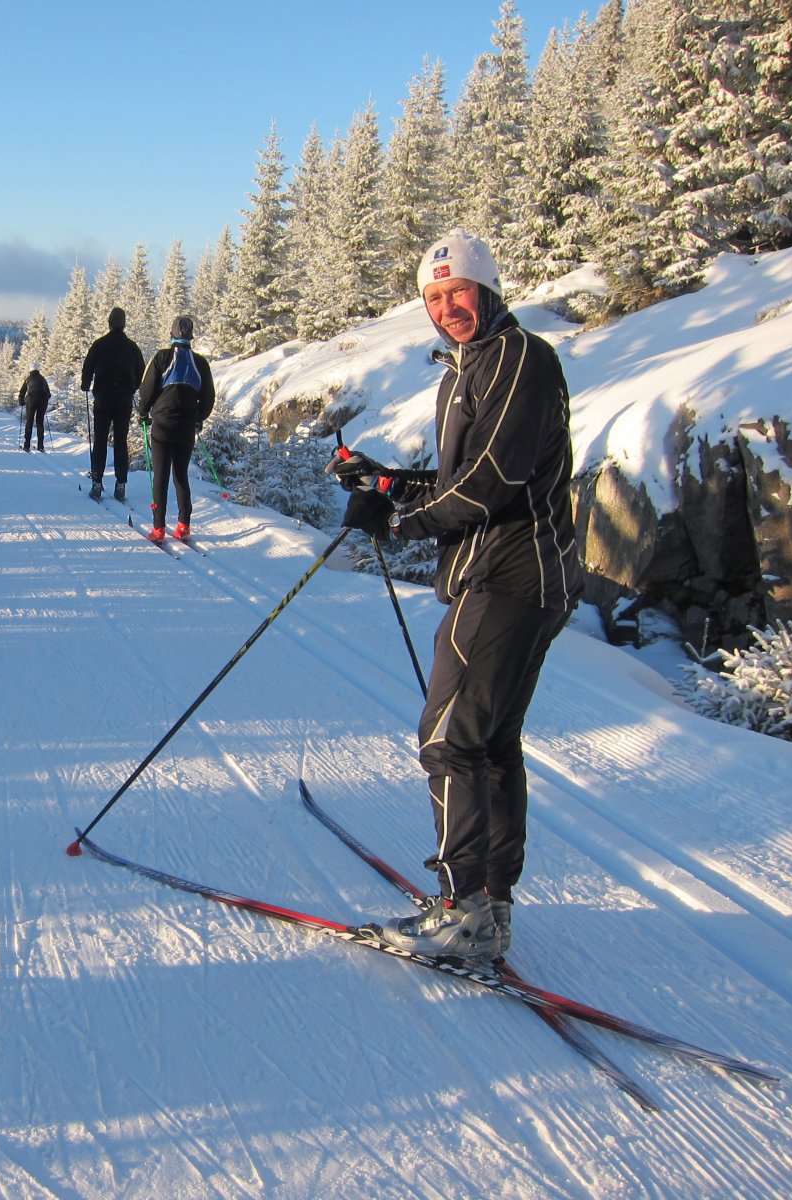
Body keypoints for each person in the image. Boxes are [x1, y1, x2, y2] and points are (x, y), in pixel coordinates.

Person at [333, 228, 580, 962]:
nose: (447, 307)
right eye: (434, 297)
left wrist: (401, 520)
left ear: (488, 289)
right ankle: (489, 907)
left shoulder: (518, 358)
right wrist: (385, 481)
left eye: (458, 291)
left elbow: (496, 479)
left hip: (509, 575)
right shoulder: (470, 370)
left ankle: (463, 906)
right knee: (490, 743)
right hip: (520, 575)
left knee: (448, 739)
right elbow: (462, 478)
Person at [137, 316, 214, 542]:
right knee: (181, 475)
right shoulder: (200, 363)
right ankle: (183, 526)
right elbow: (208, 397)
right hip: (187, 426)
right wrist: (199, 418)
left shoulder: (161, 357)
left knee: (160, 476)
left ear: (171, 334)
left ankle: (158, 528)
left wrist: (143, 412)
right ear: (191, 336)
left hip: (162, 424)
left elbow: (147, 388)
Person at [79, 306, 145, 502]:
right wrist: (132, 387)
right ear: (123, 324)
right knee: (120, 442)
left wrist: (86, 385)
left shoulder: (99, 344)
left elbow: (88, 366)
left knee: (99, 440)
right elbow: (141, 370)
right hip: (123, 400)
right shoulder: (132, 347)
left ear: (109, 323)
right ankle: (120, 485)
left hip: (103, 399)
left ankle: (97, 483)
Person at [18, 364, 50, 452]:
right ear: (38, 370)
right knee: (40, 422)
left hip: (31, 400)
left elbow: (22, 391)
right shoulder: (43, 379)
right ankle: (40, 445)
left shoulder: (28, 379)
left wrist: (21, 400)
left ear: (30, 370)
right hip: (42, 401)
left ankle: (26, 444)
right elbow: (48, 393)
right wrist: (46, 398)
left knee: (29, 421)